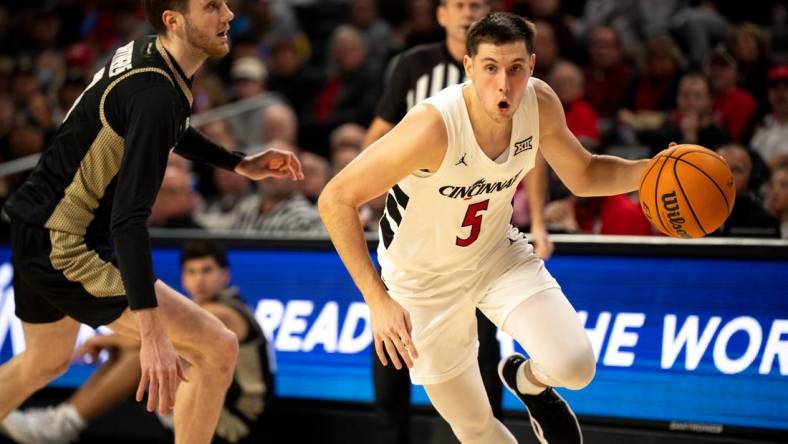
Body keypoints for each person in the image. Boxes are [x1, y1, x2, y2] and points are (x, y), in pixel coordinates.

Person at [318, 12, 652, 444]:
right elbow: (335, 198)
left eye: (516, 69)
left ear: (531, 65)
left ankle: (529, 381)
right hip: (422, 283)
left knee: (575, 366)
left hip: (496, 255)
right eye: (491, 67)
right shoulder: (432, 127)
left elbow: (584, 174)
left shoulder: (540, 102)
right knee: (474, 426)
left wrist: (652, 169)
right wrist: (377, 300)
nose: (504, 83)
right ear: (469, 67)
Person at [0, 1, 302, 443]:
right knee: (215, 348)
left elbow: (167, 123)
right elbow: (129, 220)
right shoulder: (155, 91)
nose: (228, 15)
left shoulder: (150, 55)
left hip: (36, 224)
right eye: (212, 7)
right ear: (174, 20)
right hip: (66, 242)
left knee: (44, 362)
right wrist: (152, 332)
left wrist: (236, 163)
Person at [362, 2, 531, 442]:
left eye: (475, 4)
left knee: (481, 341)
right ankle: (389, 433)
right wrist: (369, 186)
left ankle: (482, 430)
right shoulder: (414, 66)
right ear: (440, 15)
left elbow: (541, 146)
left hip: (477, 228)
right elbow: (378, 136)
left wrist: (542, 222)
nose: (466, 11)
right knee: (395, 342)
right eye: (457, 4)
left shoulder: (515, 83)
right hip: (417, 227)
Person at [1, 241, 276, 444]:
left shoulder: (226, 312)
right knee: (144, 350)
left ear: (225, 276)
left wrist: (105, 341)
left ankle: (61, 425)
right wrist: (112, 343)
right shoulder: (207, 310)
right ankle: (61, 422)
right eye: (192, 272)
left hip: (236, 422)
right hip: (209, 405)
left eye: (207, 270)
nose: (199, 279)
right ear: (183, 278)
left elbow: (159, 337)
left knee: (142, 353)